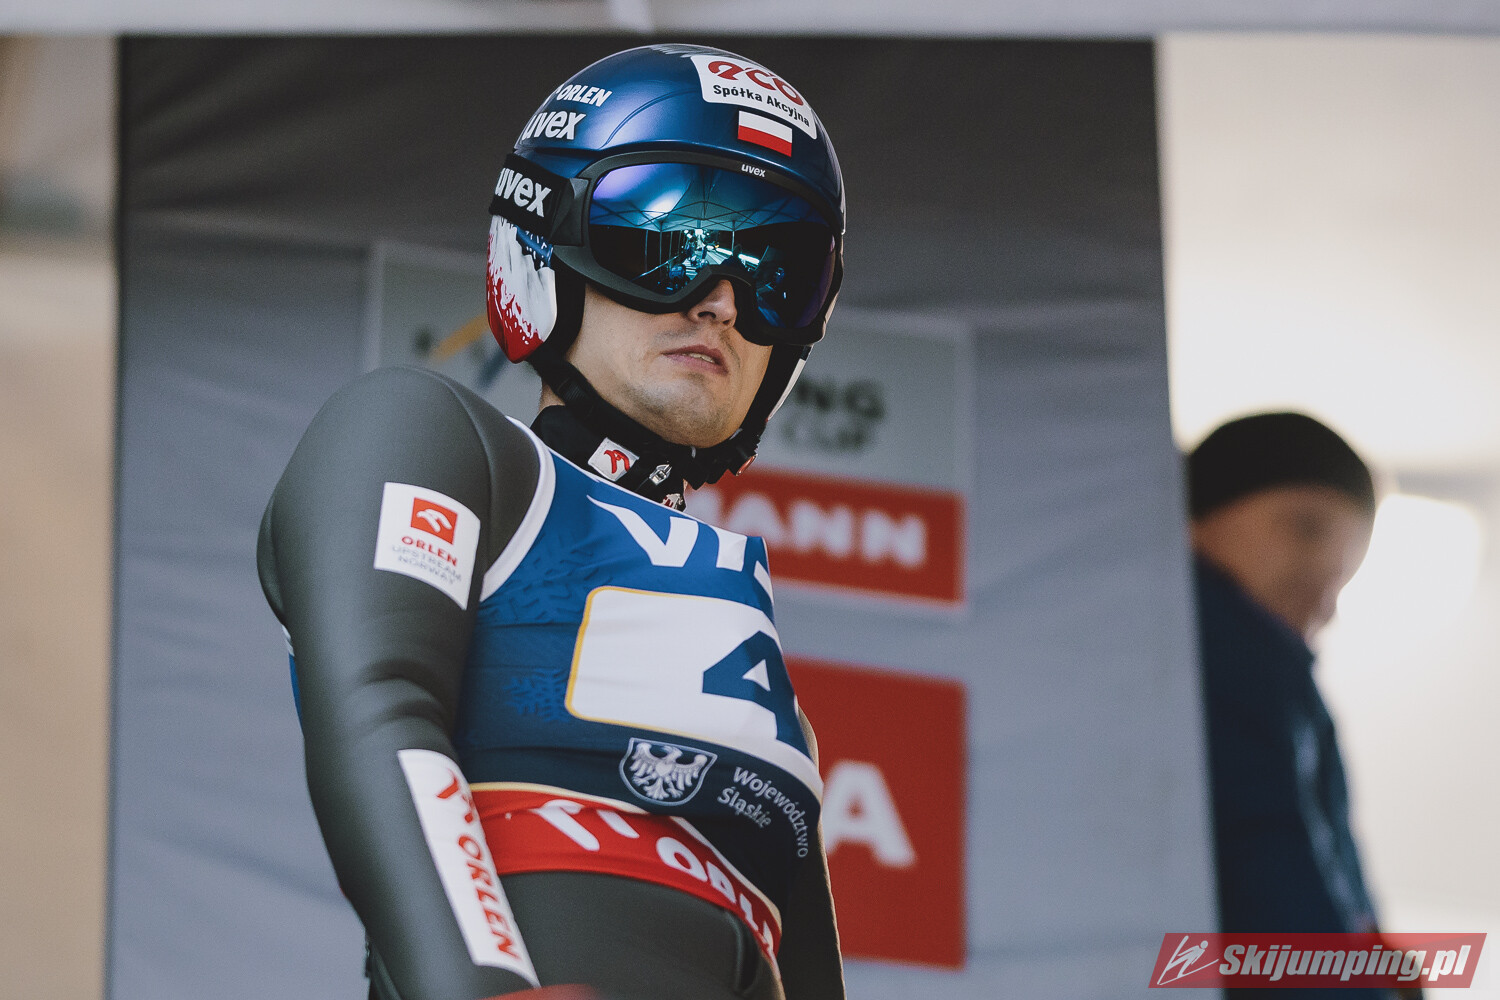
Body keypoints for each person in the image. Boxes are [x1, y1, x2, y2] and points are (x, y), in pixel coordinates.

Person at [257, 44, 846, 1000]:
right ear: (542, 238)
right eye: (665, 240)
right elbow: (378, 709)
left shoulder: (763, 674)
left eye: (778, 269)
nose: (721, 302)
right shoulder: (431, 436)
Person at [1189, 412, 1399, 998]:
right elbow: (1275, 873)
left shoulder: (1282, 684)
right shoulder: (1236, 652)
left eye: (1343, 576)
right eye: (1307, 529)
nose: (1321, 587)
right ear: (1188, 519)